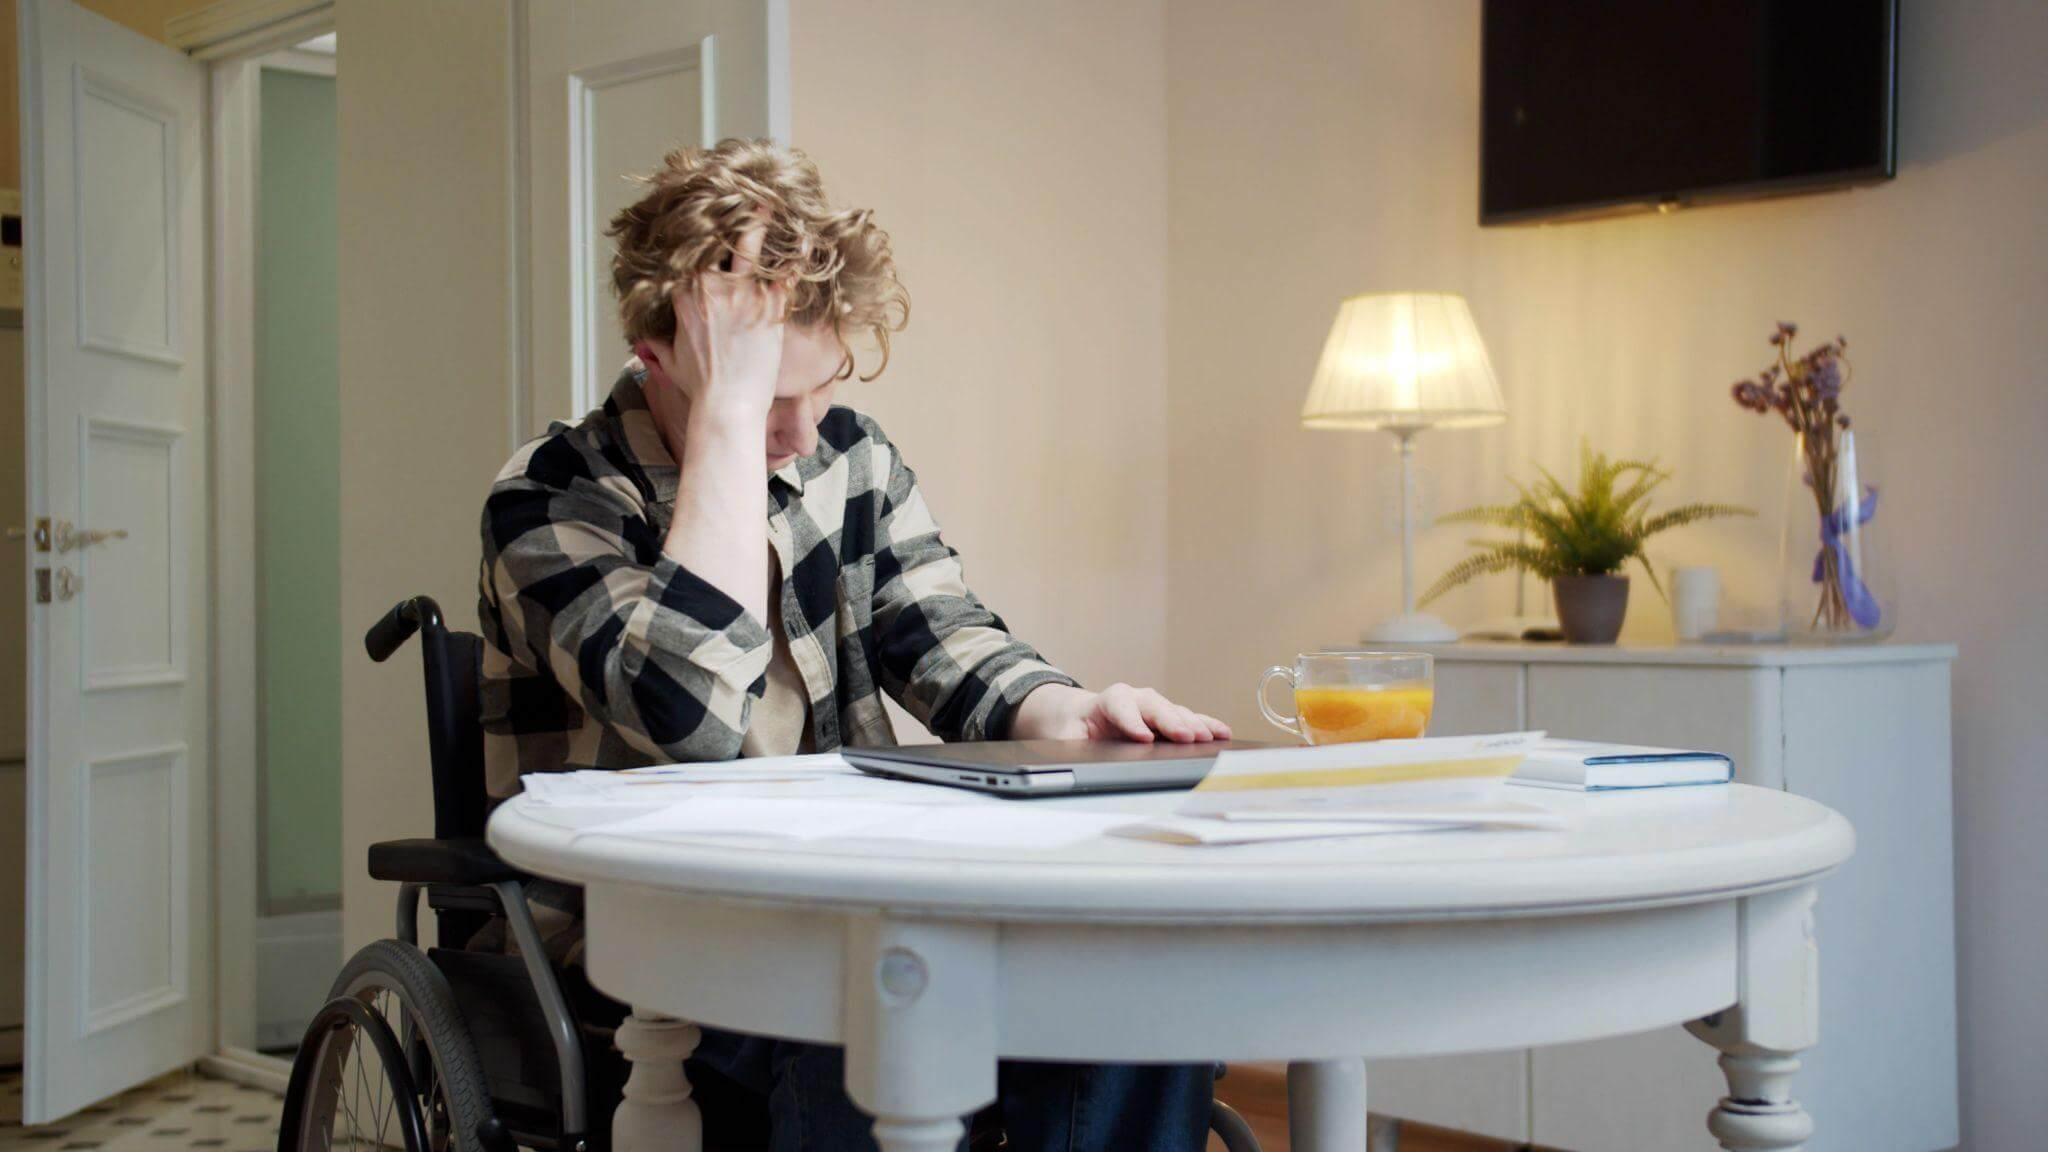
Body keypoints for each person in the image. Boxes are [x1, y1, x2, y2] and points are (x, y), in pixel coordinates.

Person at [476, 138, 1229, 1152]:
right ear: (654, 357)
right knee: (869, 1014)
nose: (798, 429)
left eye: (816, 385)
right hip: (652, 944)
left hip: (855, 910)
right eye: (760, 396)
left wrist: (1068, 710)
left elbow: (944, 636)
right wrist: (727, 427)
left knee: (1129, 996)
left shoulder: (851, 458)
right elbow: (688, 722)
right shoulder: (550, 496)